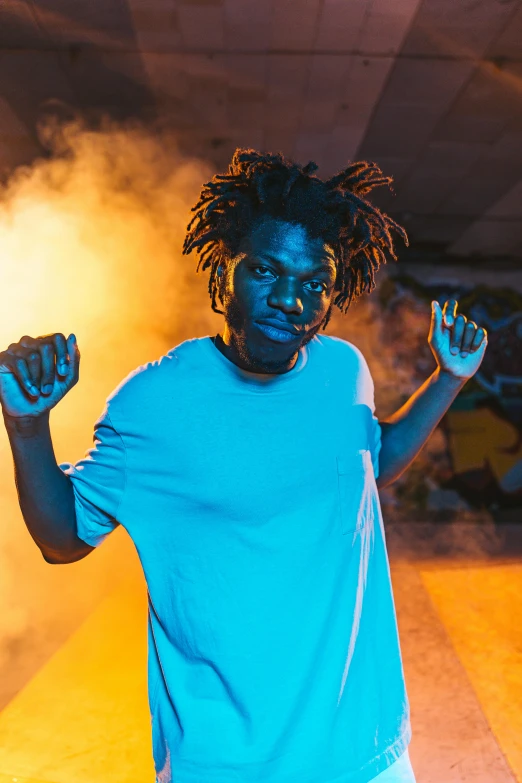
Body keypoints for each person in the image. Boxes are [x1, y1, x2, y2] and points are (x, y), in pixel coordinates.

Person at [0, 149, 488, 783]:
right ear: (223, 270)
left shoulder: (344, 372)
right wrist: (27, 425)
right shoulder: (156, 402)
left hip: (364, 753)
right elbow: (62, 540)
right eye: (265, 270)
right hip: (225, 763)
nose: (291, 299)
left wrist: (450, 379)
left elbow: (372, 465)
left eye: (315, 283)